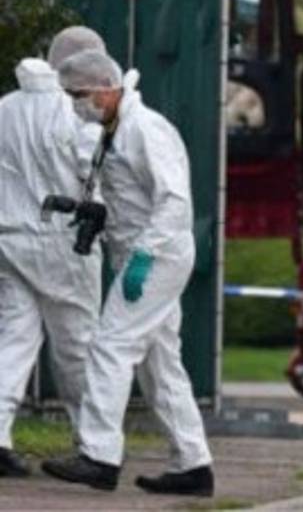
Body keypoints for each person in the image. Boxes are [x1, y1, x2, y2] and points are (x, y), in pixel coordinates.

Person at [42, 50, 214, 496]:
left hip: (155, 256)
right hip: (144, 252)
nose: (76, 103)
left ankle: (99, 455)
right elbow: (129, 195)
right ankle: (193, 464)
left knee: (110, 345)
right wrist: (98, 213)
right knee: (160, 365)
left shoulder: (146, 129)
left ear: (105, 88)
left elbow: (173, 201)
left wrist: (144, 257)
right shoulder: (114, 129)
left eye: (79, 95)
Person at [0, 26, 106, 478]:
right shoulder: (76, 113)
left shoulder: (5, 108)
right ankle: (94, 444)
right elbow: (94, 175)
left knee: (14, 340)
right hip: (66, 243)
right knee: (78, 348)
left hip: (9, 238)